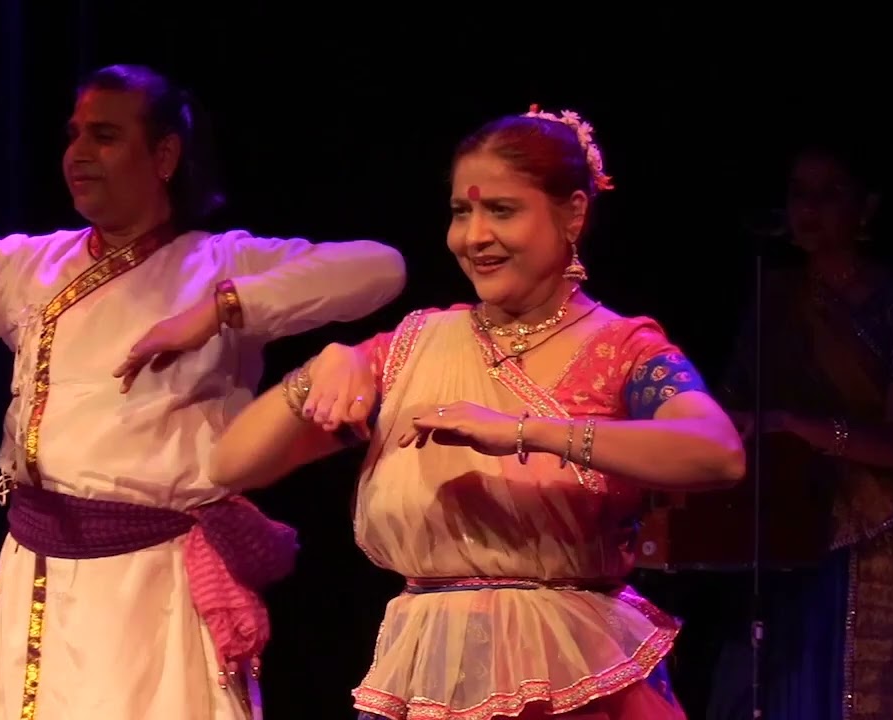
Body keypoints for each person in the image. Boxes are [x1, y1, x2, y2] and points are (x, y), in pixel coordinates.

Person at [0, 64, 406, 720]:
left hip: (154, 583)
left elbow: (379, 269)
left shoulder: (219, 262)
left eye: (104, 136)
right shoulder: (30, 265)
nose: (78, 153)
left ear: (164, 155)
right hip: (37, 570)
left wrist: (218, 309)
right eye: (73, 134)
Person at [208, 106, 746, 719]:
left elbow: (717, 453)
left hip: (573, 680)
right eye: (461, 213)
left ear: (573, 213)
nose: (474, 236)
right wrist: (325, 364)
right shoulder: (412, 349)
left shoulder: (622, 349)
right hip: (427, 677)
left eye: (502, 211)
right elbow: (233, 465)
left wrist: (525, 432)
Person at [708, 139, 893, 719]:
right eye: (798, 193)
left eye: (830, 193)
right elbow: (728, 409)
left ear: (867, 206)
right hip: (783, 527)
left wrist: (791, 423)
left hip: (878, 533)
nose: (809, 209)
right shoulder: (773, 296)